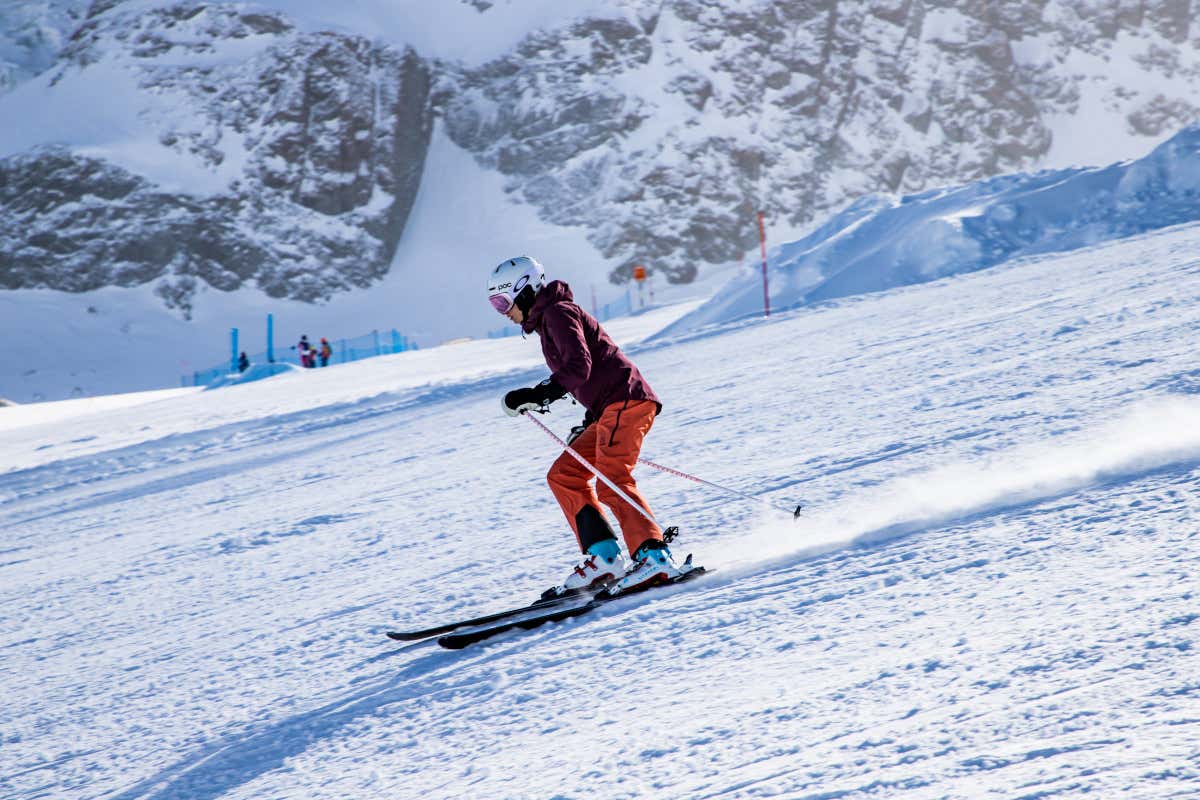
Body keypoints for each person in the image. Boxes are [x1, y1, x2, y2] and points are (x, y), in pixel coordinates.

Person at [489, 255, 682, 597]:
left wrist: (538, 394)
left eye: (502, 302)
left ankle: (654, 556)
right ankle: (604, 557)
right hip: (608, 409)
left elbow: (580, 366)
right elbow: (593, 374)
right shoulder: (549, 320)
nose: (502, 311)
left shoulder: (558, 313)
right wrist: (589, 422)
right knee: (565, 474)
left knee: (612, 478)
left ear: (524, 290)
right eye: (495, 305)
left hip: (626, 401)